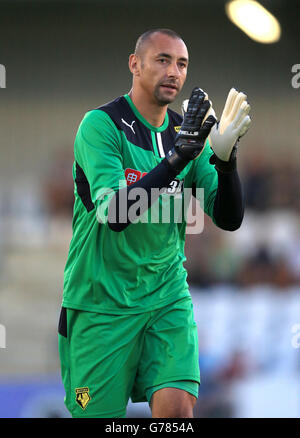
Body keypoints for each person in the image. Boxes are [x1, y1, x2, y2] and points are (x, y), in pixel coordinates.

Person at [58, 28, 251, 418]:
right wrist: (177, 160)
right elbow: (115, 215)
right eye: (162, 60)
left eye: (182, 64)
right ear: (135, 64)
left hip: (166, 297)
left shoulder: (189, 137)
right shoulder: (100, 126)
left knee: (177, 413)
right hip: (101, 305)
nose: (174, 72)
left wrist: (226, 162)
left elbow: (229, 219)